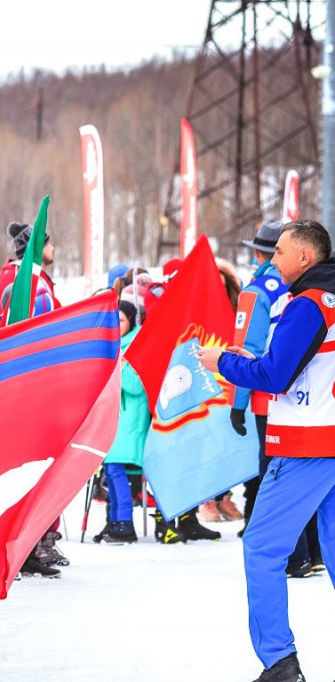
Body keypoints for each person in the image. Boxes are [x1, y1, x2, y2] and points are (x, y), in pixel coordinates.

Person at [197, 219, 335, 682]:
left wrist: (225, 363)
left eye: (278, 252)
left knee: (260, 547)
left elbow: (275, 373)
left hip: (308, 444)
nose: (271, 260)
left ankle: (279, 662)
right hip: (327, 439)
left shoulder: (307, 303)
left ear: (304, 258)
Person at [234, 221, 293, 533]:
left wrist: (237, 402)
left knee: (268, 465)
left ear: (259, 253)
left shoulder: (256, 292)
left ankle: (260, 527)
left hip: (264, 395)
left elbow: (248, 350)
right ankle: (309, 550)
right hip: (304, 394)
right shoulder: (305, 285)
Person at [93, 301, 146, 545]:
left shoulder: (137, 345)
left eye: (122, 320)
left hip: (130, 418)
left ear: (132, 321)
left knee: (116, 471)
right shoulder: (113, 345)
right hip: (114, 418)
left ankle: (125, 522)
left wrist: (119, 369)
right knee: (111, 470)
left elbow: (136, 387)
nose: (117, 325)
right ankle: (115, 520)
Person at [0, 221, 60, 331]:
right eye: (47, 243)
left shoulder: (39, 275)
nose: (52, 248)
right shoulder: (12, 275)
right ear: (38, 248)